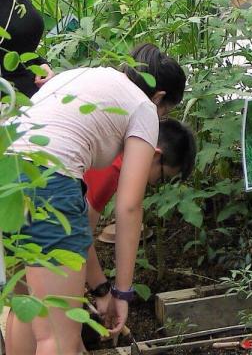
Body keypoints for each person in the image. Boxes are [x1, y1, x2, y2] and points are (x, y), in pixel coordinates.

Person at [6, 43, 191, 354]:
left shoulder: (82, 76)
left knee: (26, 306)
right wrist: (122, 292)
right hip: (48, 181)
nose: (161, 118)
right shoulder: (143, 107)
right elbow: (129, 206)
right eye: (166, 111)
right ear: (159, 98)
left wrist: (102, 289)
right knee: (58, 336)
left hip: (7, 176)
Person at [81, 119, 197, 323]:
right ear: (155, 155)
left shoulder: (113, 147)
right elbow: (79, 238)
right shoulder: (112, 167)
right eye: (162, 178)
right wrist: (102, 290)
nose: (154, 184)